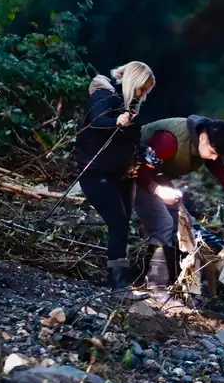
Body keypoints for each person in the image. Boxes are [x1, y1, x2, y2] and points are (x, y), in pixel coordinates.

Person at [73, 62, 181, 292]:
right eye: (141, 88)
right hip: (97, 172)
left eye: (146, 91)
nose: (142, 94)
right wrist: (116, 122)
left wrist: (144, 154)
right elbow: (97, 121)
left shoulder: (130, 106)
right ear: (133, 81)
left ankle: (119, 280)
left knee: (121, 225)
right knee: (118, 222)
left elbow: (129, 142)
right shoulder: (104, 95)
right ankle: (117, 284)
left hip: (123, 175)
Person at [137, 115, 224, 291]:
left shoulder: (206, 145)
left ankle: (172, 280)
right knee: (164, 224)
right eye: (213, 153)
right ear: (203, 138)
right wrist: (159, 191)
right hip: (132, 175)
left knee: (183, 223)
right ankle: (152, 283)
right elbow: (141, 172)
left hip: (157, 176)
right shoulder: (169, 141)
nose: (213, 159)